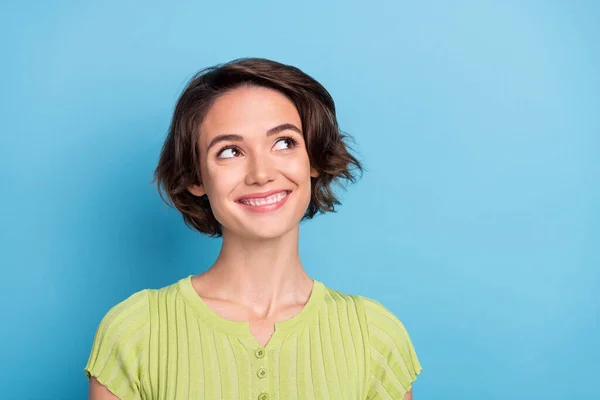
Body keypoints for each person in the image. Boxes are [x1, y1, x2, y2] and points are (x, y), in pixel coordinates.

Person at [84, 57, 422, 400]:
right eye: (230, 151)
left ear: (314, 159)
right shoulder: (136, 331)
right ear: (195, 177)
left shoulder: (375, 336)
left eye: (284, 142)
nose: (261, 173)